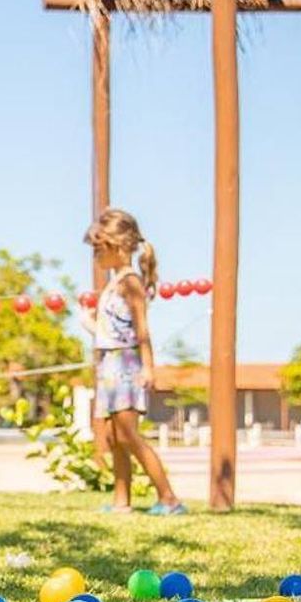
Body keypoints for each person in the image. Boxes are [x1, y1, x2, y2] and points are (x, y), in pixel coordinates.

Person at [84, 208, 185, 514]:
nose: (96, 256)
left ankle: (168, 498)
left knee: (129, 433)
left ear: (116, 246)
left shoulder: (130, 282)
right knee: (115, 437)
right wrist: (90, 322)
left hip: (125, 366)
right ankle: (121, 501)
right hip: (109, 365)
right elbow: (114, 330)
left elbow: (142, 330)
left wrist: (148, 367)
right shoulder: (115, 283)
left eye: (99, 249)